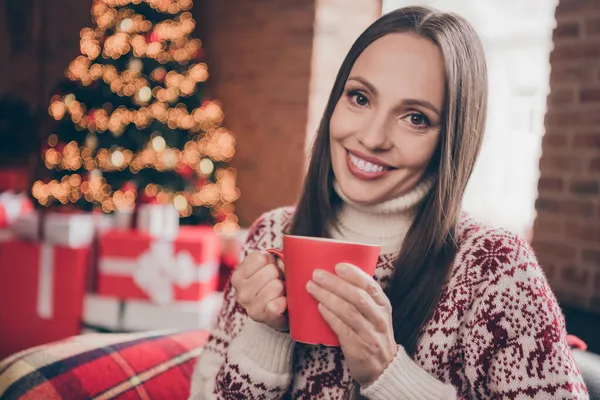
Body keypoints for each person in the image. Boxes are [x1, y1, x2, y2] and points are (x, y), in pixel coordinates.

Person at [189, 6, 589, 399]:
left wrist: (389, 375)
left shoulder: (493, 267)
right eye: (360, 98)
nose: (373, 137)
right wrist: (267, 336)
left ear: (451, 138)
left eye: (415, 118)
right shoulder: (274, 232)